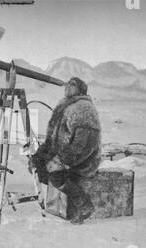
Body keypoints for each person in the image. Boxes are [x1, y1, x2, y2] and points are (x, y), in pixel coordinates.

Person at [30, 77, 101, 224]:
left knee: (55, 174)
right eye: (68, 85)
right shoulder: (66, 105)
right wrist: (41, 154)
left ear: (81, 89)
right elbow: (53, 136)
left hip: (82, 157)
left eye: (73, 85)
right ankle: (56, 202)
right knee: (39, 165)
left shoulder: (83, 108)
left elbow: (85, 143)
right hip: (65, 152)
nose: (68, 87)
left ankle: (84, 204)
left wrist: (63, 161)